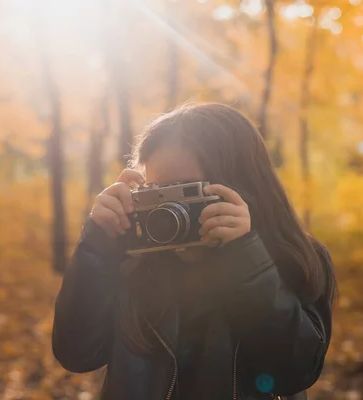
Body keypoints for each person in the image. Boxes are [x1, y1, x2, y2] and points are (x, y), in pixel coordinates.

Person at [52, 103, 336, 400]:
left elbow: (294, 371)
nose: (169, 213)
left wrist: (247, 259)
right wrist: (98, 247)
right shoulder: (132, 262)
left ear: (242, 185)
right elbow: (76, 354)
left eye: (186, 191)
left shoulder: (296, 259)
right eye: (156, 192)